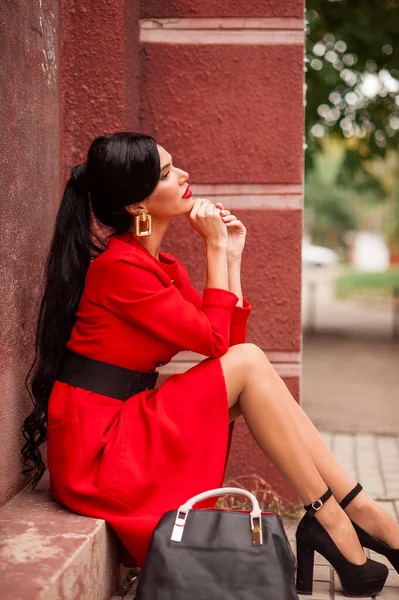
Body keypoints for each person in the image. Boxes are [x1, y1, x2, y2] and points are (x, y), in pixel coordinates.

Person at [22, 132, 398, 596]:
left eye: (175, 165)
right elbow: (225, 348)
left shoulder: (160, 265)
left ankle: (348, 512)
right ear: (139, 208)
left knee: (253, 372)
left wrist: (232, 257)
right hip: (97, 449)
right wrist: (214, 250)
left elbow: (228, 355)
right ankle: (345, 516)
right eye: (165, 174)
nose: (183, 176)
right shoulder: (119, 269)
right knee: (250, 365)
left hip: (125, 423)